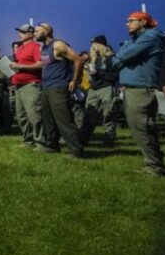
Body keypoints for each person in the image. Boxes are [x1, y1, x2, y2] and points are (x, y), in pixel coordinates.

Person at [110, 12, 165, 176]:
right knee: (139, 128)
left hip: (141, 89)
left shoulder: (149, 38)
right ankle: (154, 161)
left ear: (143, 22)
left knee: (142, 127)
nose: (127, 24)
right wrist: (121, 57)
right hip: (132, 89)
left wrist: (121, 57)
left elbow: (122, 57)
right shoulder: (135, 40)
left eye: (131, 21)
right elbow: (116, 61)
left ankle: (154, 166)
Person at [33, 22, 84, 157]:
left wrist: (74, 80)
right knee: (48, 119)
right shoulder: (43, 48)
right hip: (46, 87)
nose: (35, 33)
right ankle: (52, 146)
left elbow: (78, 60)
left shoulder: (58, 45)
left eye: (37, 31)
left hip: (58, 87)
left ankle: (76, 150)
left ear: (46, 31)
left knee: (64, 119)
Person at [10, 24, 45, 149]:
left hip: (31, 85)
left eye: (22, 32)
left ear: (30, 34)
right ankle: (28, 140)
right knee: (21, 115)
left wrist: (20, 66)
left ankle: (41, 142)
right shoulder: (20, 48)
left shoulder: (36, 47)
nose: (19, 34)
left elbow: (42, 64)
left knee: (34, 114)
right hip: (19, 85)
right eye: (19, 31)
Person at [80, 35, 119, 145]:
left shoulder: (111, 58)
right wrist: (91, 67)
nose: (92, 47)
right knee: (89, 114)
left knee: (108, 115)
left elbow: (114, 76)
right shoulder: (94, 59)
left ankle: (109, 140)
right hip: (94, 88)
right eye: (92, 45)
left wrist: (98, 73)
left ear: (101, 45)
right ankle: (83, 139)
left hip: (106, 87)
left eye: (95, 44)